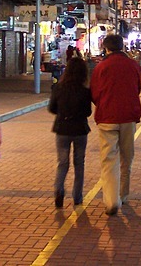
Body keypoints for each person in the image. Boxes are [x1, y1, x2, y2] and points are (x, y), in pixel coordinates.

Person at [89, 34, 141, 216]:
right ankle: (123, 195)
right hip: (128, 117)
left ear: (106, 48)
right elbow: (137, 88)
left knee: (109, 159)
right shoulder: (133, 65)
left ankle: (112, 201)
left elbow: (94, 93)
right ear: (122, 47)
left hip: (107, 118)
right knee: (127, 157)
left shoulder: (101, 67)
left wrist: (104, 104)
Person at [48, 57, 92, 209]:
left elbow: (52, 108)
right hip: (80, 129)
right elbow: (88, 112)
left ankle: (59, 189)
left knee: (62, 163)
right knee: (79, 164)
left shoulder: (58, 88)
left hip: (62, 128)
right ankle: (77, 197)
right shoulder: (85, 91)